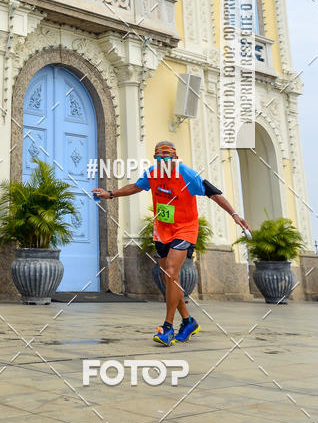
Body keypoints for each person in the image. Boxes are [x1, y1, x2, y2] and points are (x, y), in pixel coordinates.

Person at [92, 141, 251, 346]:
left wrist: (235, 215)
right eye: (158, 159)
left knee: (170, 271)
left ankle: (167, 327)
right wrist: (110, 194)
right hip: (162, 228)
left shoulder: (187, 174)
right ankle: (188, 321)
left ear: (175, 158)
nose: (163, 163)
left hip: (185, 228)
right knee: (168, 277)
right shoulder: (153, 173)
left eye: (166, 159)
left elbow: (214, 193)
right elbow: (136, 186)